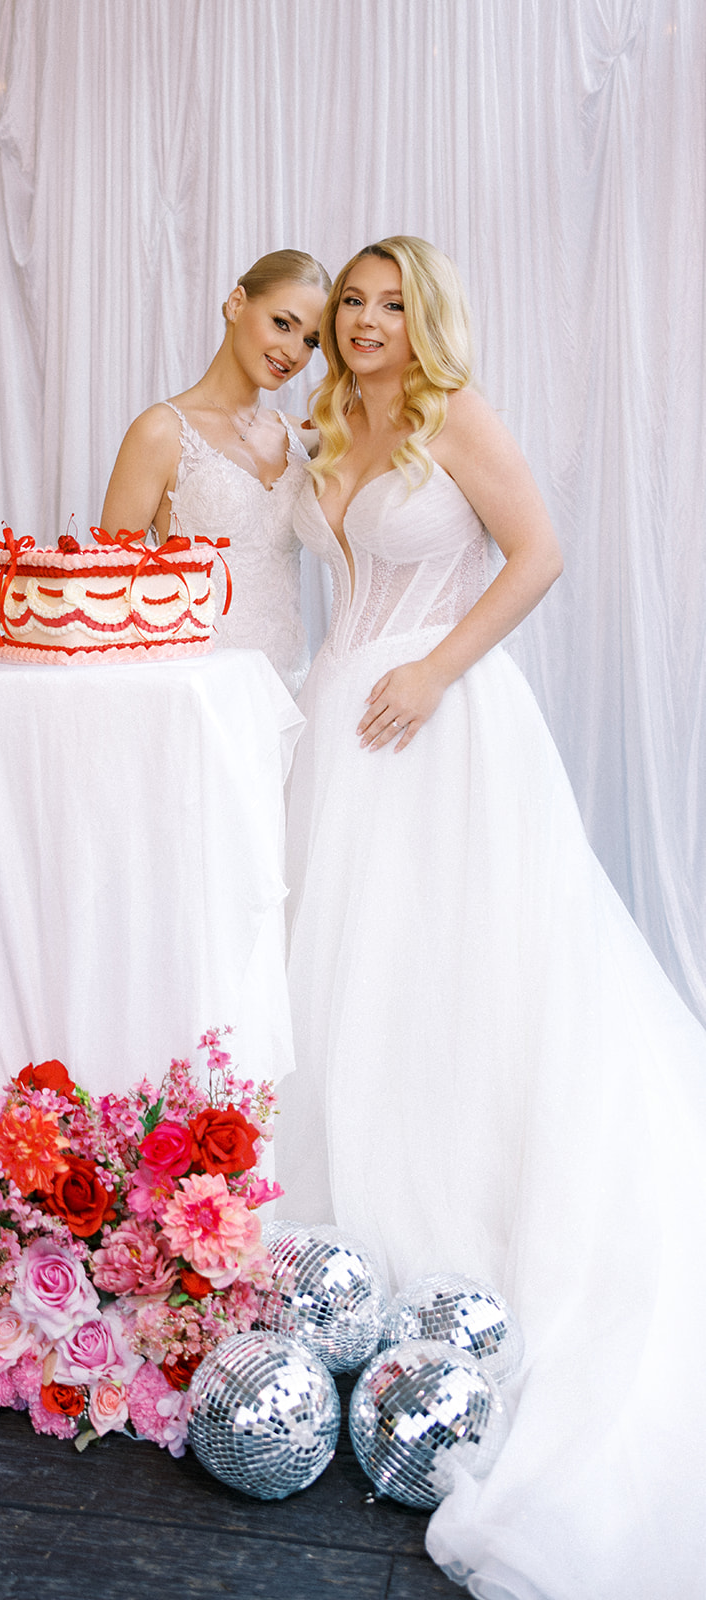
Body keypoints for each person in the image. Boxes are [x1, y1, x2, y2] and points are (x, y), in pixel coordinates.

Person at [278, 236, 706, 1600]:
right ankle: (330, 1233)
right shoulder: (324, 421)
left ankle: (451, 1235)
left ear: (426, 317)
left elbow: (536, 554)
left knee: (454, 974)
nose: (363, 323)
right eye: (349, 303)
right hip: (332, 716)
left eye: (389, 304)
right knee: (335, 975)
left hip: (435, 724)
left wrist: (436, 672)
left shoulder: (448, 412)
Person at [99, 250, 330, 694]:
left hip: (290, 690)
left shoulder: (304, 438)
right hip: (196, 693)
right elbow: (109, 590)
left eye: (311, 341)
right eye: (283, 323)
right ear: (237, 303)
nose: (293, 351)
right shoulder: (161, 431)